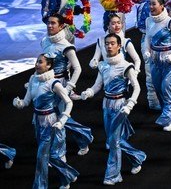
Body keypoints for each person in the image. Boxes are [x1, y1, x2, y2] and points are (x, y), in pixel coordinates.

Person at [80, 33, 145, 185]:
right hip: (106, 104)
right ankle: (137, 157)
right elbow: (97, 85)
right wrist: (88, 92)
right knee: (112, 139)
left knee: (114, 141)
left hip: (120, 106)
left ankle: (113, 175)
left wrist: (130, 104)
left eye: (112, 43)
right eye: (107, 43)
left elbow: (137, 87)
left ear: (119, 46)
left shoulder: (126, 66)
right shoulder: (102, 65)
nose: (109, 46)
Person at [13, 54, 79, 189]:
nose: (37, 64)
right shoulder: (33, 79)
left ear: (49, 65)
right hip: (37, 121)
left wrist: (62, 120)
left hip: (50, 122)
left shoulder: (54, 84)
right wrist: (19, 103)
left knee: (41, 156)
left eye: (40, 62)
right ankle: (68, 175)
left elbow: (69, 102)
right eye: (37, 61)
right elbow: (26, 101)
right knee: (48, 156)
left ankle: (40, 186)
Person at [41, 14, 92, 160]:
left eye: (53, 23)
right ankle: (83, 137)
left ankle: (59, 155)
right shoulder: (44, 41)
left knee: (60, 119)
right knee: (52, 117)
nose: (50, 26)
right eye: (48, 23)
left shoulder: (66, 46)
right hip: (47, 85)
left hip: (60, 85)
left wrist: (68, 88)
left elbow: (78, 68)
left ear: (62, 26)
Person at [144, 0, 171, 131]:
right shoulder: (148, 20)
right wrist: (146, 50)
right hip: (155, 59)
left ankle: (168, 117)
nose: (151, 7)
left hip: (168, 60)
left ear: (162, 5)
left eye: (154, 4)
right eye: (150, 4)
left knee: (165, 88)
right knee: (157, 88)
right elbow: (147, 38)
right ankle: (167, 114)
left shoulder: (170, 22)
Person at [135, 0, 161, 110]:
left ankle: (161, 99)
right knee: (151, 72)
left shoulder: (159, 2)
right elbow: (140, 26)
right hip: (148, 41)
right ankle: (153, 101)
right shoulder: (145, 5)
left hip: (161, 42)